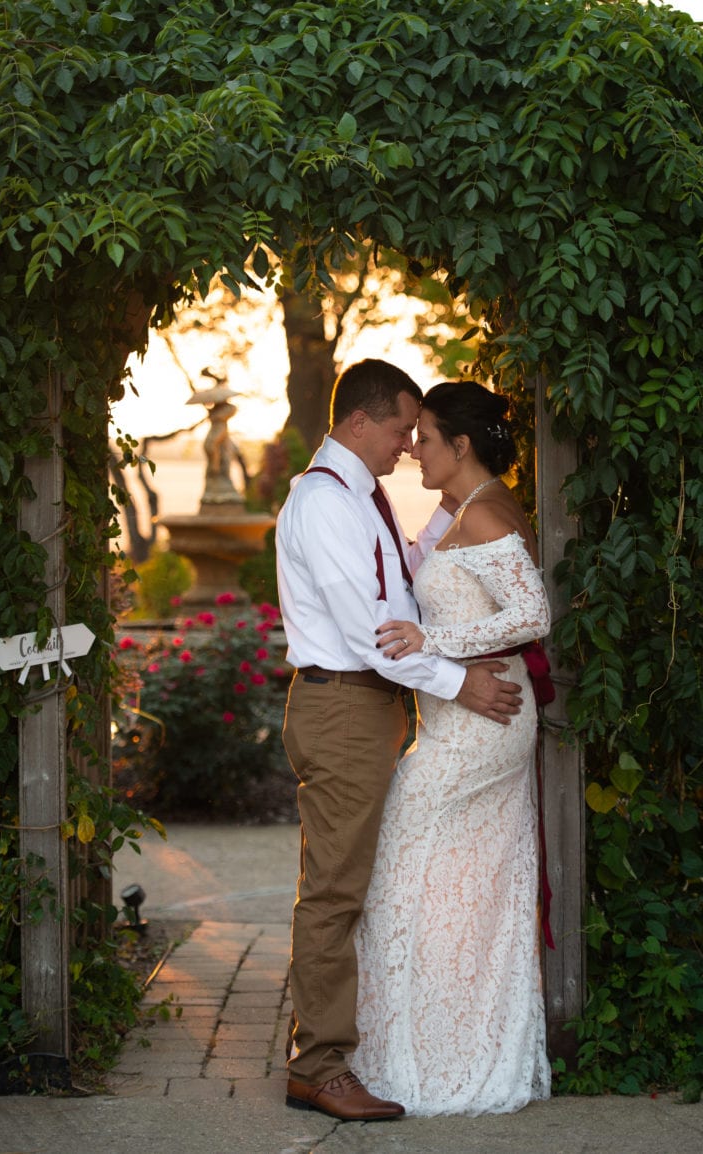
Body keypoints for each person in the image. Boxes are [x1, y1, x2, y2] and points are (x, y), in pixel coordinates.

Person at [275, 359, 525, 1122]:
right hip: (344, 706)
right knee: (337, 891)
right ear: (358, 422)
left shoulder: (362, 496)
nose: (406, 446)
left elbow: (405, 588)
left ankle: (329, 1047)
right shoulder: (325, 504)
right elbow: (368, 632)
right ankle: (319, 1066)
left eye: (417, 434)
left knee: (350, 880)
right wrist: (464, 685)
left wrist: (463, 506)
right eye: (397, 430)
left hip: (370, 707)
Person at [351, 379, 552, 1117]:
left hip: (486, 722)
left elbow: (534, 613)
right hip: (460, 718)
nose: (413, 451)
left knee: (400, 862)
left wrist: (434, 643)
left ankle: (424, 1056)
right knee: (458, 888)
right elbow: (414, 573)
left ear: (459, 445)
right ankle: (441, 1045)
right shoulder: (456, 510)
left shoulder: (490, 511)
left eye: (425, 437)